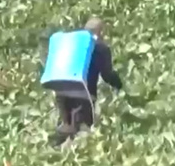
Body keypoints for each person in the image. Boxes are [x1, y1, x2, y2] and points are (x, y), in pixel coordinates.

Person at [44, 18, 123, 147]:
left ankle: (54, 148)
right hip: (84, 93)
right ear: (100, 31)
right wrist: (119, 85)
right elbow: (107, 75)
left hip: (61, 90)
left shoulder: (74, 44)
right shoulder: (100, 48)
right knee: (83, 131)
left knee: (68, 125)